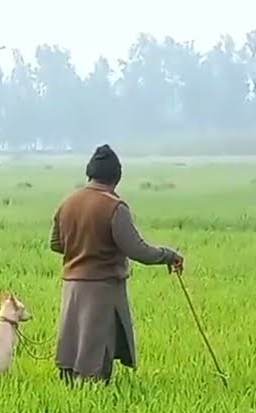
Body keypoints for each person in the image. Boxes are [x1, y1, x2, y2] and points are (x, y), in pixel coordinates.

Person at [49, 144, 184, 385]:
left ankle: (70, 391)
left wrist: (81, 247)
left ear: (90, 172)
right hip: (102, 289)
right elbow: (137, 249)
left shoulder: (68, 202)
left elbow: (56, 244)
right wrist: (168, 255)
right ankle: (94, 395)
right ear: (116, 177)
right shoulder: (114, 206)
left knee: (73, 342)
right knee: (98, 346)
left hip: (72, 287)